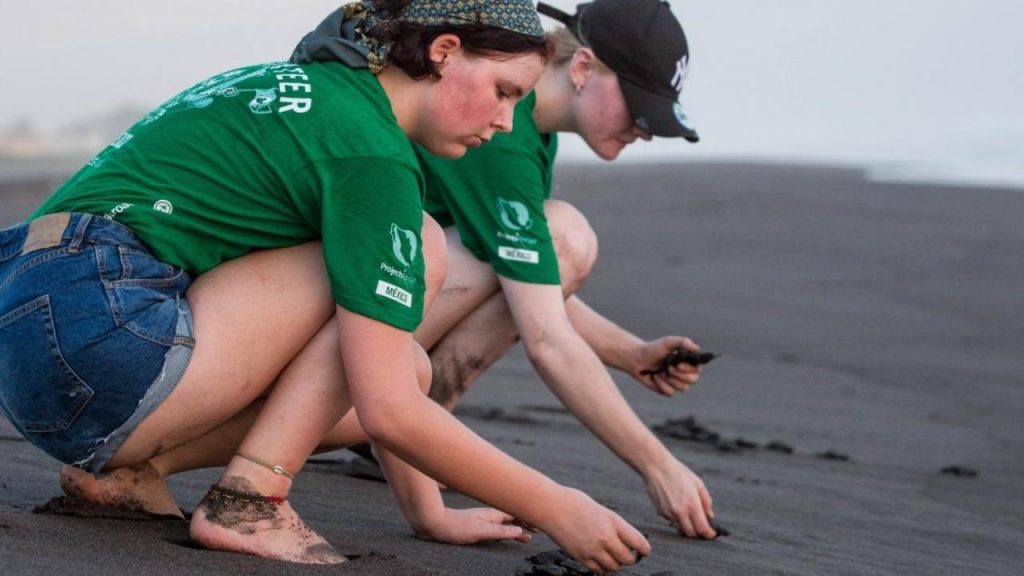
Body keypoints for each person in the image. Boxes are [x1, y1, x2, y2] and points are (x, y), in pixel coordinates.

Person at [0, 1, 651, 571]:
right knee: (418, 253)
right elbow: (387, 410)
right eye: (506, 91)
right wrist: (560, 507)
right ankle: (250, 500)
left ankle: (131, 474)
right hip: (102, 331)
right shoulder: (370, 152)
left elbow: (388, 378)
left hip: (34, 335)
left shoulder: (298, 87)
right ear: (445, 53)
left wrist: (431, 516)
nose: (508, 123)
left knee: (406, 361)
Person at [406, 0, 719, 540]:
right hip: (343, 324)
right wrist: (658, 466)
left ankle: (410, 419)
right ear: (582, 68)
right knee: (564, 235)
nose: (644, 130)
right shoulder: (500, 132)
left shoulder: (524, 126)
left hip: (358, 305)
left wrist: (630, 354)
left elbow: (525, 280)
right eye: (639, 108)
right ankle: (415, 421)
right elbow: (545, 334)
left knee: (552, 241)